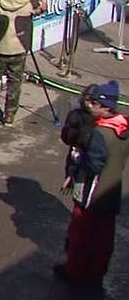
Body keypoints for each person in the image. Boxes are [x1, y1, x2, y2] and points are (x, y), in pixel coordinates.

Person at [56, 80, 129, 290]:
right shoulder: (123, 128)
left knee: (82, 233)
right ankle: (97, 273)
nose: (90, 107)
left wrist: (77, 163)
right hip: (112, 190)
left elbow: (93, 165)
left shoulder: (100, 133)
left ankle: (75, 271)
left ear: (104, 107)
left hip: (92, 191)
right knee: (104, 237)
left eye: (95, 103)